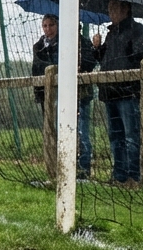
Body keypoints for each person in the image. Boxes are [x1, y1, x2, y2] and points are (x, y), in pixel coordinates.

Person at [31, 13, 99, 178]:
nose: (48, 29)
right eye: (45, 26)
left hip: (78, 94)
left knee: (80, 132)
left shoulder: (77, 41)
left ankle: (83, 170)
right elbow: (37, 69)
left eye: (51, 25)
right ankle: (58, 168)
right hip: (51, 96)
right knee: (54, 131)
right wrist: (39, 94)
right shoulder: (39, 46)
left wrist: (95, 49)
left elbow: (89, 64)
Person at [92, 0, 143, 184]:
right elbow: (104, 60)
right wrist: (97, 47)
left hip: (128, 91)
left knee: (131, 136)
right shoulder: (111, 34)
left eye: (114, 8)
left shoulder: (138, 31)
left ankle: (134, 176)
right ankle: (119, 175)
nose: (110, 12)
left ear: (125, 9)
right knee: (116, 135)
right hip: (110, 91)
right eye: (109, 8)